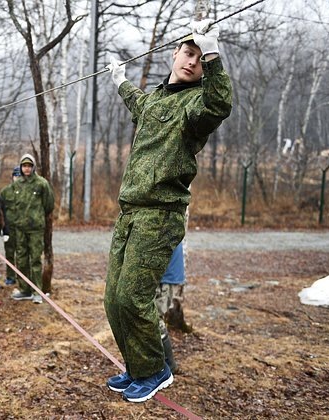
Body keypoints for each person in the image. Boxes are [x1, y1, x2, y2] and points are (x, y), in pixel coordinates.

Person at [104, 19, 232, 403]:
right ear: (174, 54)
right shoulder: (155, 99)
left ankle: (156, 371)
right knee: (113, 298)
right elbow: (135, 100)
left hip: (160, 214)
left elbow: (219, 104)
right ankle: (137, 368)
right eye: (188, 53)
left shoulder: (197, 105)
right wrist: (118, 80)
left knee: (133, 296)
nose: (192, 62)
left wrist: (213, 56)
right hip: (130, 211)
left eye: (198, 57)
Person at [10, 154, 55, 304]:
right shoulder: (17, 185)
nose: (27, 168)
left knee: (35, 259)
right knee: (21, 258)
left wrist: (37, 216)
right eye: (24, 166)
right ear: (21, 167)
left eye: (29, 166)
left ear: (33, 167)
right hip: (20, 228)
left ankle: (37, 291)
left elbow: (49, 204)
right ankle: (25, 289)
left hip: (35, 228)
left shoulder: (42, 183)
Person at [156, 242, 186, 374]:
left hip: (166, 276)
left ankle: (169, 364)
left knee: (155, 319)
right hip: (163, 274)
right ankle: (164, 364)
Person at [0, 166, 22, 286]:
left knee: (22, 253)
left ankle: (22, 276)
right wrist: (3, 227)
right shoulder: (5, 192)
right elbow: (1, 211)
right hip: (9, 227)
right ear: (12, 177)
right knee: (9, 253)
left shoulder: (26, 192)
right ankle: (10, 276)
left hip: (22, 228)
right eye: (16, 176)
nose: (17, 178)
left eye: (20, 176)